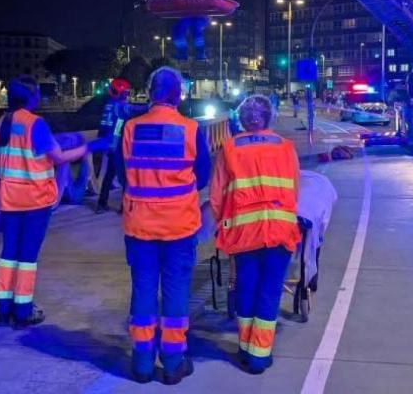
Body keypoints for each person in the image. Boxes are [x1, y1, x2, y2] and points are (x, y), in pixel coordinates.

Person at [116, 67, 212, 384]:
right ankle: (172, 363)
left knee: (143, 288)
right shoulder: (190, 129)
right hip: (179, 226)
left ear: (149, 92)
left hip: (139, 225)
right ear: (179, 94)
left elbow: (120, 174)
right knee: (175, 292)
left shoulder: (130, 128)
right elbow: (204, 175)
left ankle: (142, 363)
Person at [210, 94, 300, 374]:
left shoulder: (230, 147)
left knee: (246, 286)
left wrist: (224, 224)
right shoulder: (285, 147)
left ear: (242, 120)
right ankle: (260, 355)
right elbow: (294, 189)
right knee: (270, 289)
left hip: (244, 232)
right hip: (279, 229)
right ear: (269, 118)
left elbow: (216, 195)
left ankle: (246, 348)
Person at [0, 76, 88, 328]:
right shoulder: (35, 123)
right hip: (34, 199)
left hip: (8, 198)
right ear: (32, 97)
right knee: (27, 257)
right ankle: (23, 310)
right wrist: (84, 150)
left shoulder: (2, 123)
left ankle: (3, 309)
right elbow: (57, 157)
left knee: (8, 254)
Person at [94, 78, 132, 214]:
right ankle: (124, 207)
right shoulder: (120, 106)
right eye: (126, 93)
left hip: (109, 143)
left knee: (109, 175)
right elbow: (135, 110)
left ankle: (102, 204)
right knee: (126, 176)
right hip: (118, 145)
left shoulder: (109, 104)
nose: (127, 96)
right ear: (120, 93)